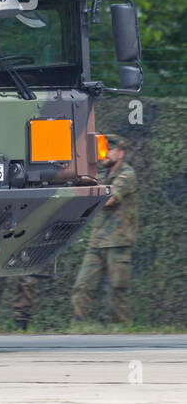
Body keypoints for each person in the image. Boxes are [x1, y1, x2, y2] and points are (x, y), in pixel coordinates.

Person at [71, 134, 138, 325]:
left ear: (121, 153)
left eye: (109, 150)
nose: (104, 154)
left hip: (119, 242)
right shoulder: (101, 175)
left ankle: (121, 331)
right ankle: (78, 330)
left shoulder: (127, 175)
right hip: (97, 241)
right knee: (82, 287)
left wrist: (88, 197)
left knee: (117, 291)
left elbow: (108, 199)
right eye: (102, 150)